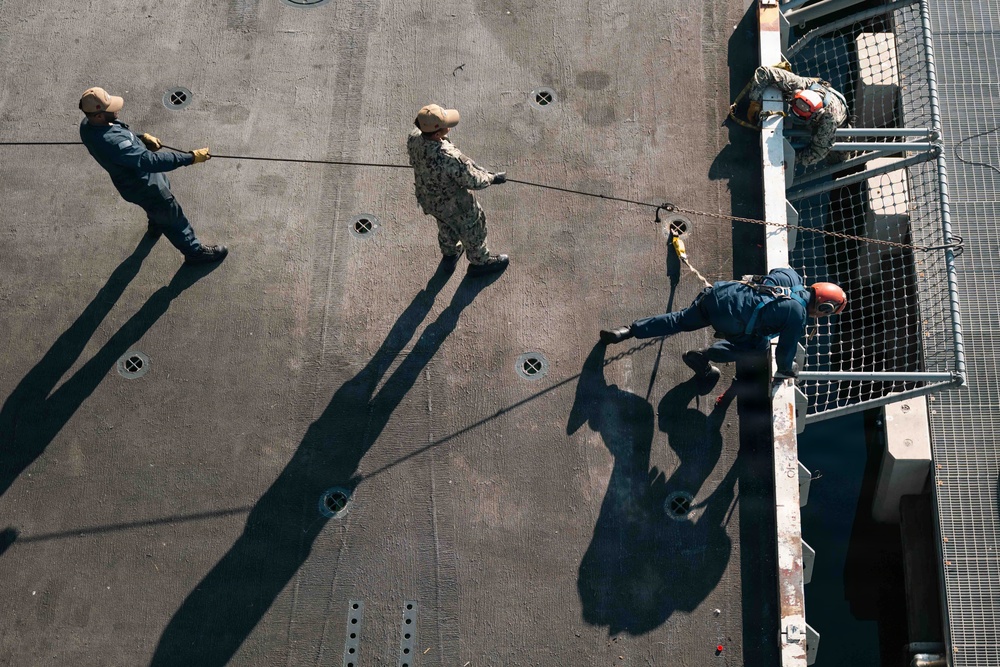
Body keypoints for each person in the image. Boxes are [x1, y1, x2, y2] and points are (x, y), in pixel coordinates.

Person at [599, 268, 847, 381]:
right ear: (823, 308)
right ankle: (703, 357)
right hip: (731, 321)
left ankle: (628, 331)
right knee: (758, 348)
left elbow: (770, 277)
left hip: (718, 295)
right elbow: (785, 351)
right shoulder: (797, 316)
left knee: (679, 320)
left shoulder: (791, 275)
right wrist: (787, 368)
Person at [78, 87, 227, 265]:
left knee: (158, 212)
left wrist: (141, 138)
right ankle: (194, 252)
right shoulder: (114, 143)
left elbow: (117, 134)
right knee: (173, 217)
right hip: (147, 187)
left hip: (132, 184)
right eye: (111, 109)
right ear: (99, 115)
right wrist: (191, 157)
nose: (117, 110)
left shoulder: (87, 125)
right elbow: (150, 161)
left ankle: (156, 225)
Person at [406, 104, 509, 276]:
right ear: (437, 134)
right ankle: (480, 263)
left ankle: (450, 253)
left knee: (445, 225)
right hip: (455, 205)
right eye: (446, 125)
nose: (449, 126)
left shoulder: (414, 137)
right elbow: (474, 181)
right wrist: (492, 178)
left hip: (429, 199)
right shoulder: (449, 158)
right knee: (474, 229)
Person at [746, 65, 849, 166]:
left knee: (838, 159)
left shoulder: (828, 121)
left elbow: (817, 152)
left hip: (836, 123)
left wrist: (789, 158)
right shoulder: (802, 85)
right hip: (822, 95)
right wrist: (755, 102)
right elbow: (764, 72)